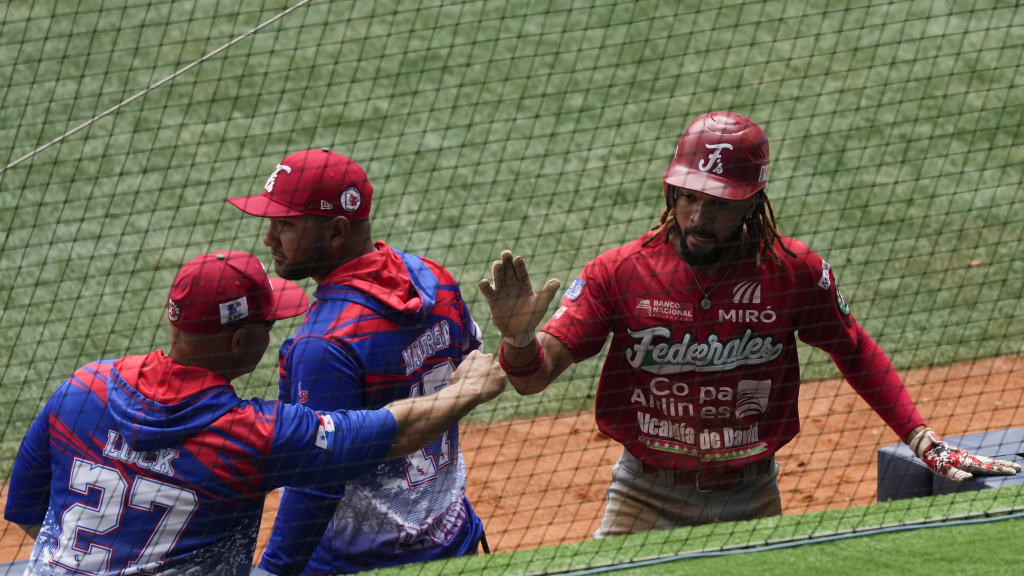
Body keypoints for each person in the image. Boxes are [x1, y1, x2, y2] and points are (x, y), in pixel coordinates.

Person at [478, 111, 1021, 537]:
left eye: (716, 203)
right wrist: (520, 338)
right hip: (644, 496)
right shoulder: (621, 271)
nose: (696, 217)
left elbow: (852, 349)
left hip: (752, 495)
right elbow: (531, 377)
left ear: (752, 203)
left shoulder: (792, 272)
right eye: (687, 196)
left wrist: (922, 440)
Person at [3, 250, 506, 575]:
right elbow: (391, 434)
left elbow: (26, 509)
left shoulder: (81, 388)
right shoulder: (253, 436)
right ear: (242, 339)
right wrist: (466, 391)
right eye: (269, 324)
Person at [228, 149, 488, 575]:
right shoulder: (432, 278)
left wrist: (273, 570)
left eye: (286, 225)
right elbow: (470, 362)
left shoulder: (323, 343)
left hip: (357, 563)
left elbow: (317, 482)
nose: (269, 238)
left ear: (336, 231)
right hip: (452, 538)